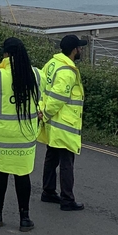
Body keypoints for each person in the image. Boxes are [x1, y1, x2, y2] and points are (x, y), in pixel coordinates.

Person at [0, 37, 43, 232]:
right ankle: (25, 218)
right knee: (23, 175)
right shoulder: (36, 76)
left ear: (5, 54)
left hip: (1, 136)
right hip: (24, 137)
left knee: (0, 172)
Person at [38, 34, 87, 211]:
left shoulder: (52, 64)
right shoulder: (67, 71)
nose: (81, 50)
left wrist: (43, 113)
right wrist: (47, 113)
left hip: (52, 122)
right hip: (63, 122)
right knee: (67, 162)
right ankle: (67, 199)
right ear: (74, 50)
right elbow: (59, 97)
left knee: (51, 157)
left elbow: (41, 87)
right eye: (79, 48)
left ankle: (48, 191)